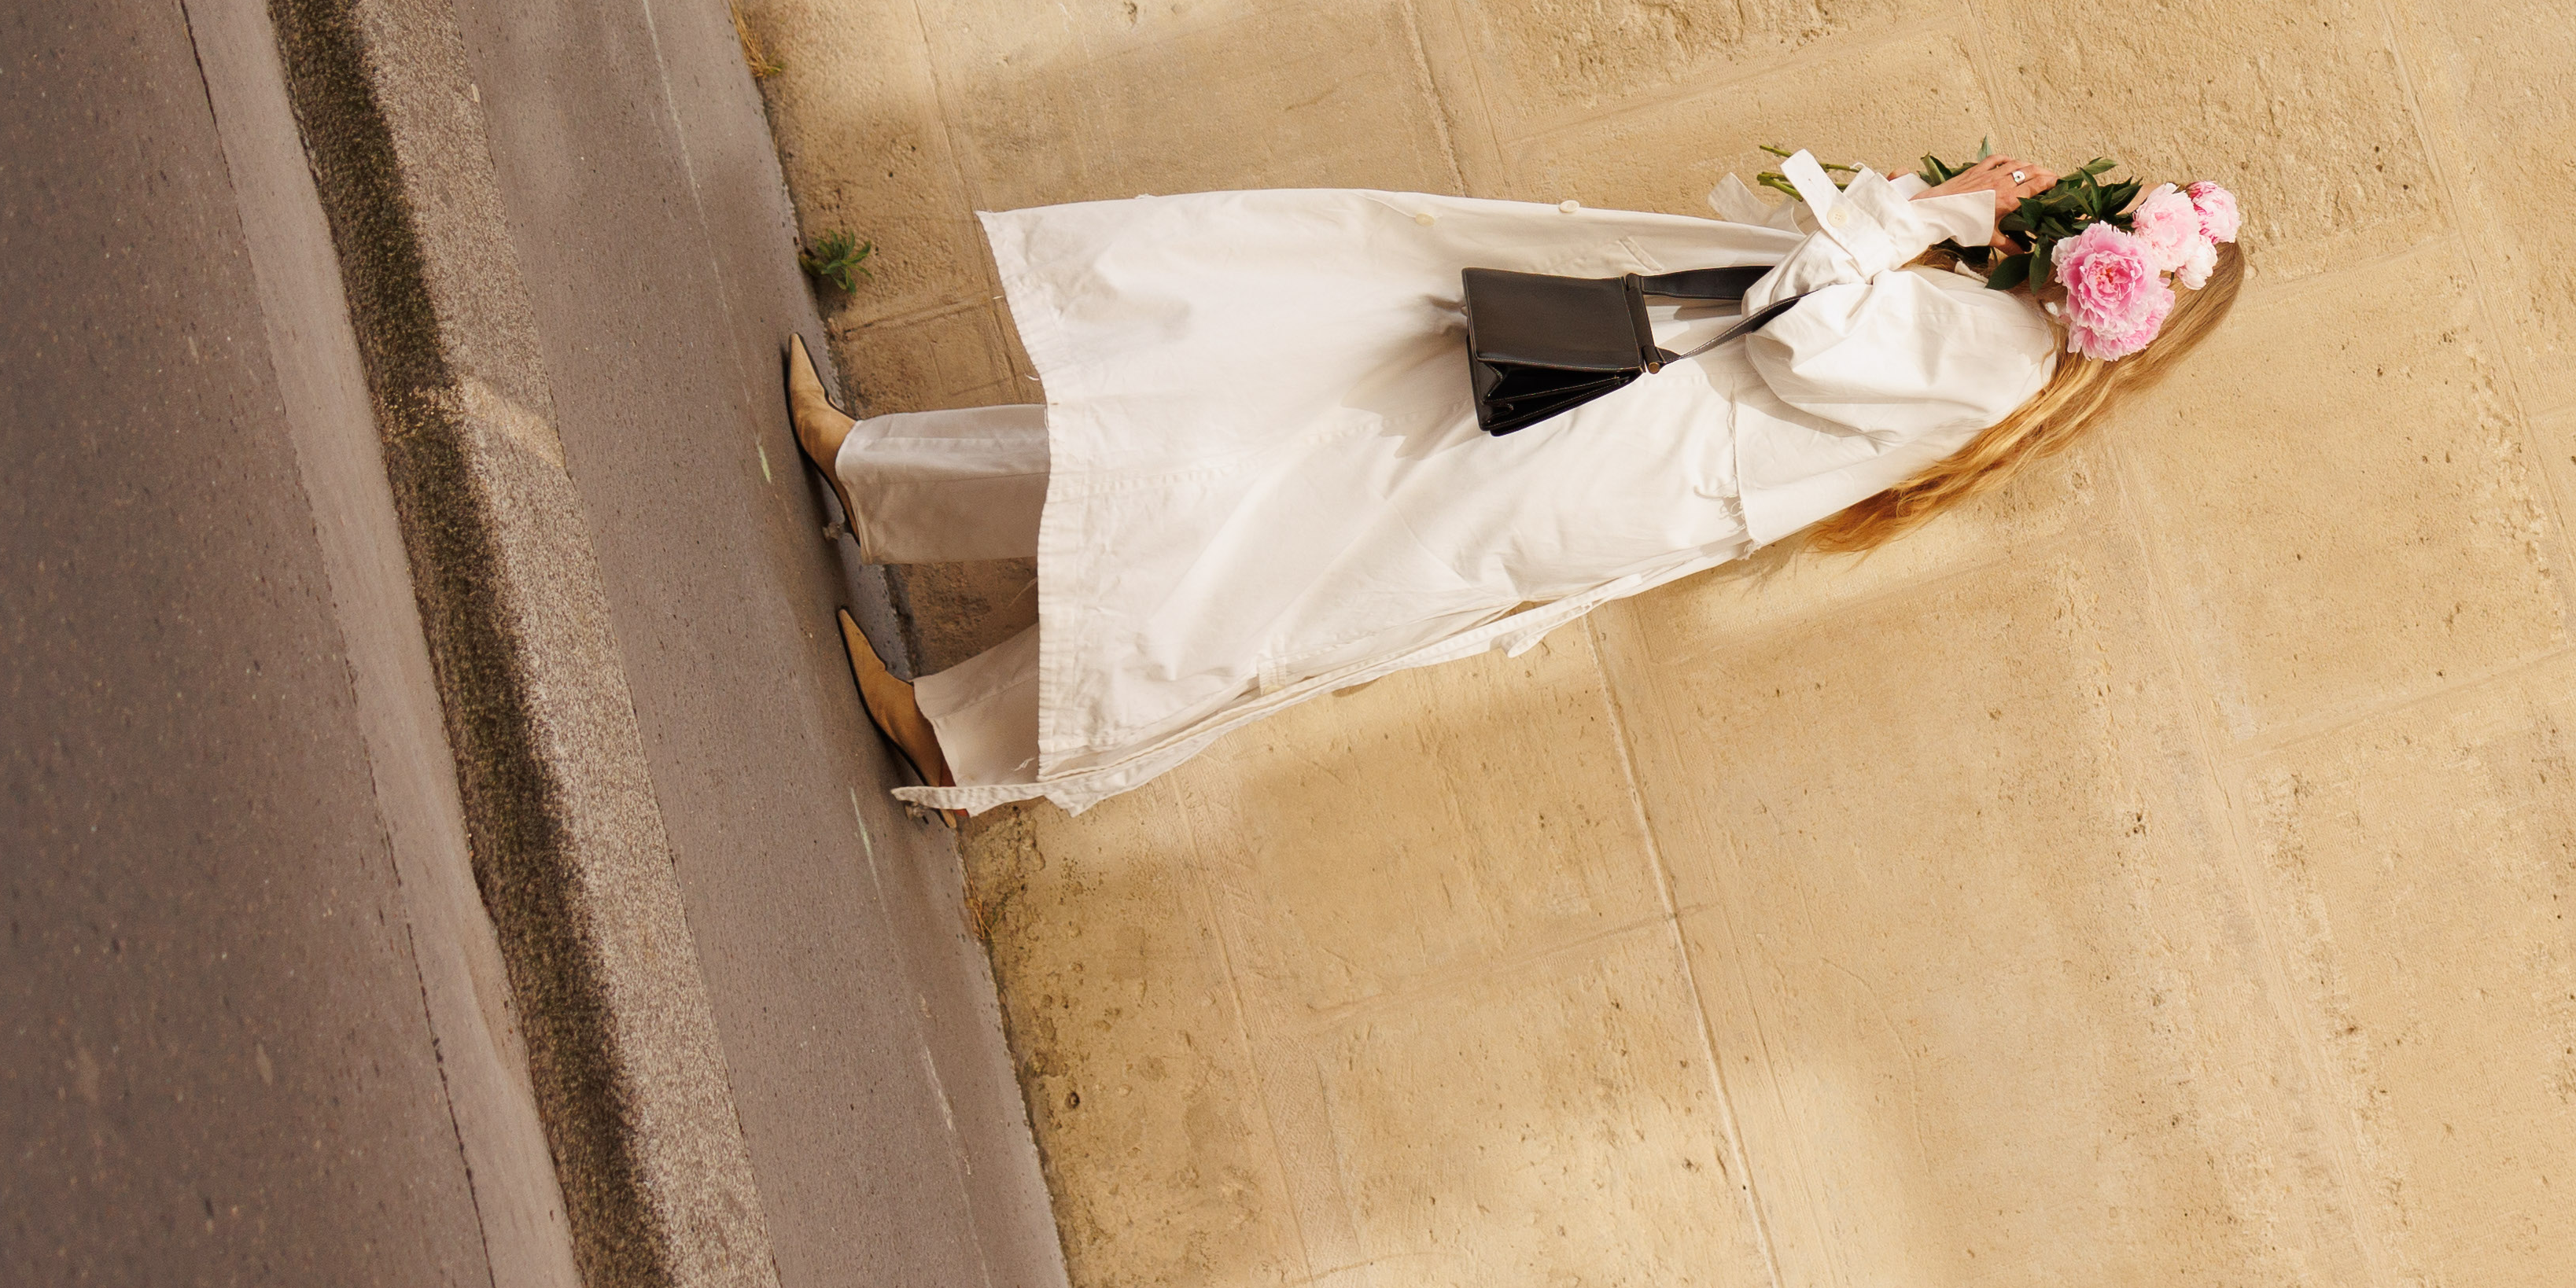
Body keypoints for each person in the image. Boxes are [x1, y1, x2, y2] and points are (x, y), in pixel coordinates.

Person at [783, 150, 2245, 815]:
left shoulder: (1993, 357)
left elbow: (1806, 329)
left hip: (1600, 442)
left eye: (2110, 219)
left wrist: (1914, 213)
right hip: (1610, 426)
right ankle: (884, 479)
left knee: (1274, 546)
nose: (2077, 213)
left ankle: (962, 731)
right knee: (1253, 455)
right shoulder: (1996, 349)